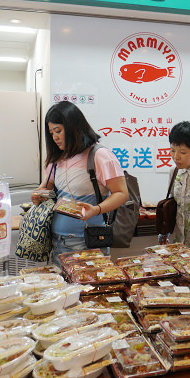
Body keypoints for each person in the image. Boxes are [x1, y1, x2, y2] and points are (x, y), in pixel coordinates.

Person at [30, 102, 128, 266]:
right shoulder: (57, 159)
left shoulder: (99, 155)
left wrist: (96, 210)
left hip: (87, 241)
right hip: (57, 240)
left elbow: (122, 193)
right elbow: (46, 186)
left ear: (74, 127)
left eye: (59, 131)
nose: (55, 137)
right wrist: (38, 194)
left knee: (88, 289)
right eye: (51, 132)